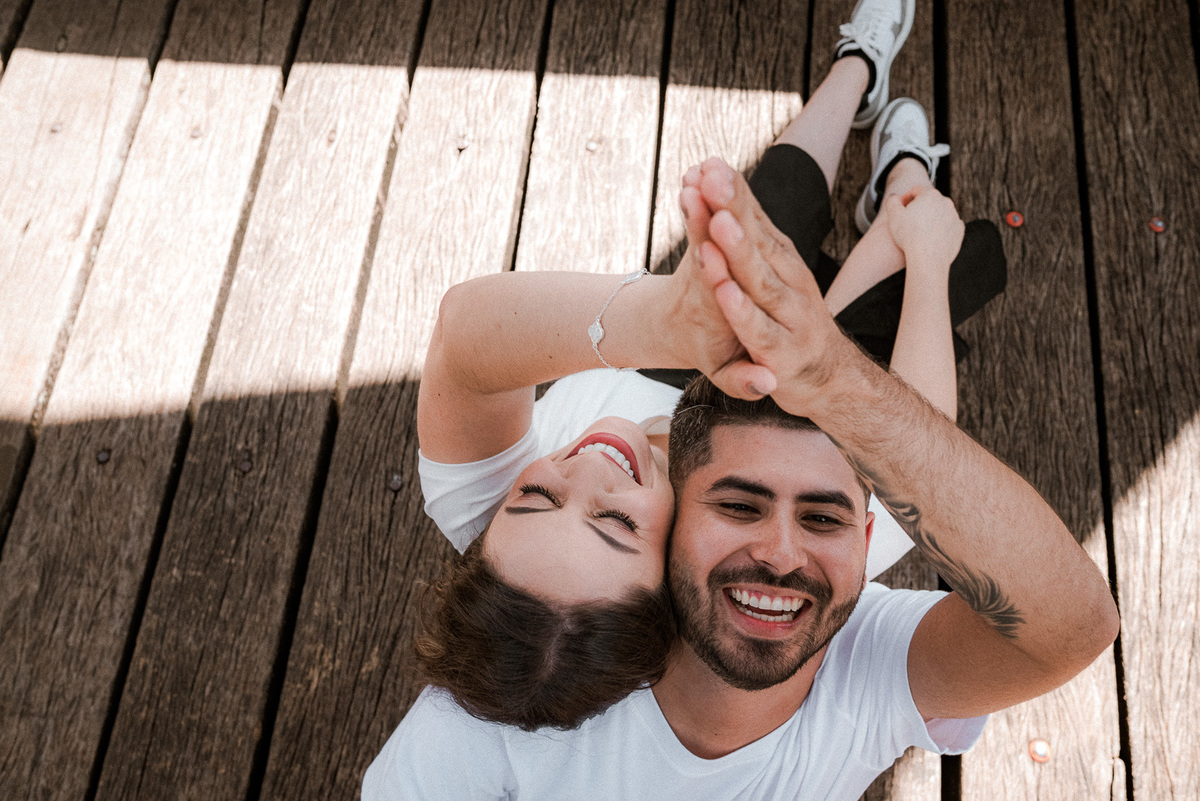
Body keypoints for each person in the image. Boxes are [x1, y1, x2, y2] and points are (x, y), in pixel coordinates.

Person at [409, 0, 1008, 735]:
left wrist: (665, 322)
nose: (588, 469)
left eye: (534, 496)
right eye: (615, 520)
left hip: (671, 361)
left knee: (773, 204)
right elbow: (916, 428)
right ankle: (901, 171)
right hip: (822, 417)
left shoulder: (504, 541)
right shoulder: (807, 519)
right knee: (915, 240)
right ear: (671, 569)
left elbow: (464, 339)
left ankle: (855, 70)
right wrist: (920, 251)